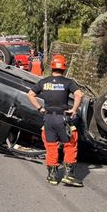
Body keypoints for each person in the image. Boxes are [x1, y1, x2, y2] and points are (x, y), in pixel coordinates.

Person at [27, 54, 84, 187]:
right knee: (70, 144)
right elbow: (79, 94)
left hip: (48, 119)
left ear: (52, 66)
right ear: (64, 67)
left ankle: (52, 176)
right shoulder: (68, 82)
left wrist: (40, 108)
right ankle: (69, 175)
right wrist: (74, 109)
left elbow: (30, 94)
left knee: (51, 146)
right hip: (62, 118)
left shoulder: (43, 82)